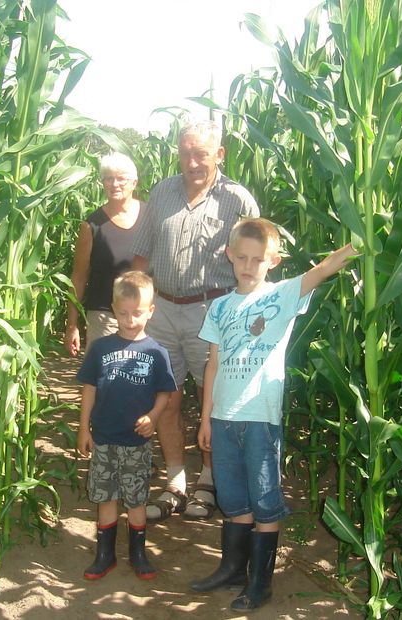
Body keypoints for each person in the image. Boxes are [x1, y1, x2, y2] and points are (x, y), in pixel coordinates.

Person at [193, 218, 358, 610]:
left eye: (258, 259)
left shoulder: (282, 295)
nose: (248, 266)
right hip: (223, 418)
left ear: (274, 261)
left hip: (260, 419)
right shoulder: (219, 307)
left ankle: (259, 584)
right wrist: (205, 418)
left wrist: (357, 243)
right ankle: (232, 568)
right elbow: (212, 365)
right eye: (241, 258)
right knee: (233, 500)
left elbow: (322, 269)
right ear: (229, 256)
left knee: (264, 501)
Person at [130, 119, 259, 522]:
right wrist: (136, 301)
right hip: (164, 310)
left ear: (218, 154)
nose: (191, 162)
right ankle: (175, 481)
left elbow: (259, 258)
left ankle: (208, 480)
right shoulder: (162, 191)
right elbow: (142, 254)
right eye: (185, 153)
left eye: (200, 153)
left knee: (212, 399)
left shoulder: (237, 200)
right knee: (166, 398)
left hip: (214, 311)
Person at [76, 271, 177, 580]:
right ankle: (104, 555)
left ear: (150, 311)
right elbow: (90, 389)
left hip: (136, 441)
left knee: (136, 499)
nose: (129, 319)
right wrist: (84, 429)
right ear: (113, 308)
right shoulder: (100, 348)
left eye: (137, 313)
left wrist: (154, 416)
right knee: (105, 497)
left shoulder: (156, 352)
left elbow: (165, 392)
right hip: (104, 438)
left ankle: (138, 553)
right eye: (122, 313)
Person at [64, 153, 143, 356]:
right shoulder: (91, 225)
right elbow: (78, 277)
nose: (114, 184)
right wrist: (72, 325)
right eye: (108, 178)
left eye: (121, 178)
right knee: (103, 380)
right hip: (104, 316)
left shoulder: (150, 217)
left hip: (143, 316)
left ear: (134, 182)